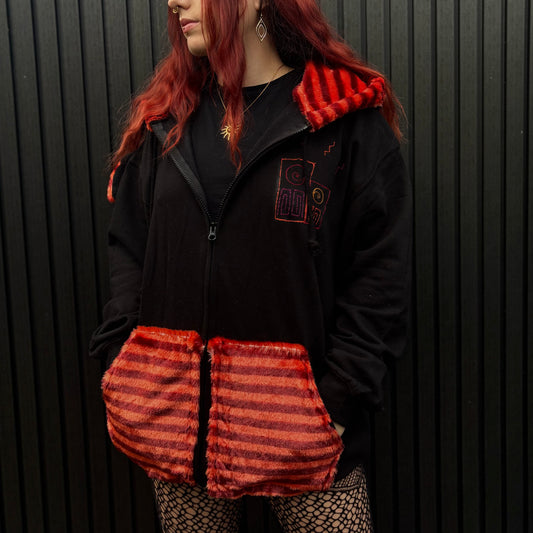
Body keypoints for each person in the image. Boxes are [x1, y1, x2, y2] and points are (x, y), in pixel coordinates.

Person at [89, 0, 412, 531]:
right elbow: (130, 247)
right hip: (179, 429)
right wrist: (123, 359)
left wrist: (337, 402)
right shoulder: (166, 119)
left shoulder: (339, 119)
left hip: (303, 431)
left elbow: (380, 273)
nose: (174, 2)